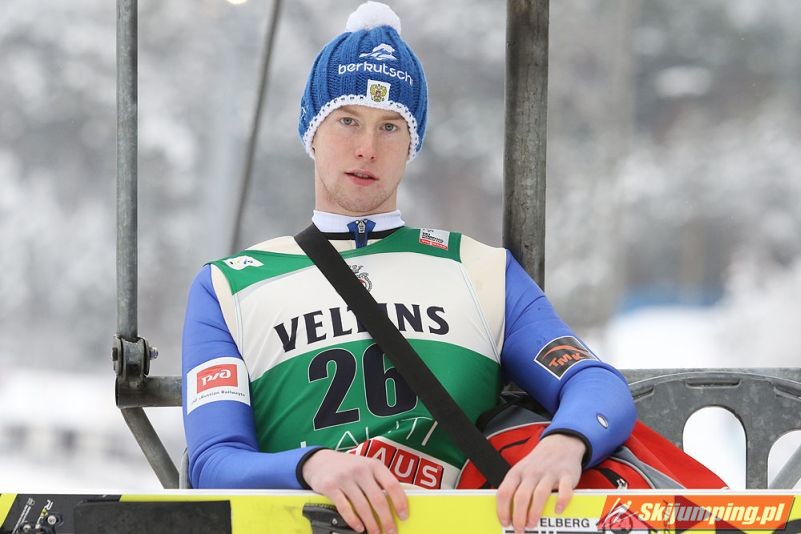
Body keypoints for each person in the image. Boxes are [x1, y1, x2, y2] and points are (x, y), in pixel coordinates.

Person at [182, 2, 636, 533]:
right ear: (311, 129)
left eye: (391, 127)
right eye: (347, 121)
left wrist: (566, 442)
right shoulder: (229, 285)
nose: (367, 148)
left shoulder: (480, 270)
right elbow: (213, 461)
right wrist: (311, 466)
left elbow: (593, 382)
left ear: (412, 144)